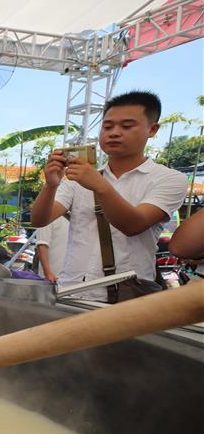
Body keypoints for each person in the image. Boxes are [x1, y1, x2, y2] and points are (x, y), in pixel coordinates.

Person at [31, 91, 188, 300]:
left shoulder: (169, 179)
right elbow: (40, 219)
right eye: (107, 126)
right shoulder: (80, 177)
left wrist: (100, 186)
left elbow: (133, 225)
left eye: (127, 126)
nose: (114, 133)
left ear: (152, 129)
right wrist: (50, 186)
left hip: (126, 297)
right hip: (71, 290)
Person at [35, 215, 69, 283]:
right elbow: (41, 245)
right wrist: (48, 273)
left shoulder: (74, 217)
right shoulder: (47, 216)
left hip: (70, 277)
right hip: (53, 278)